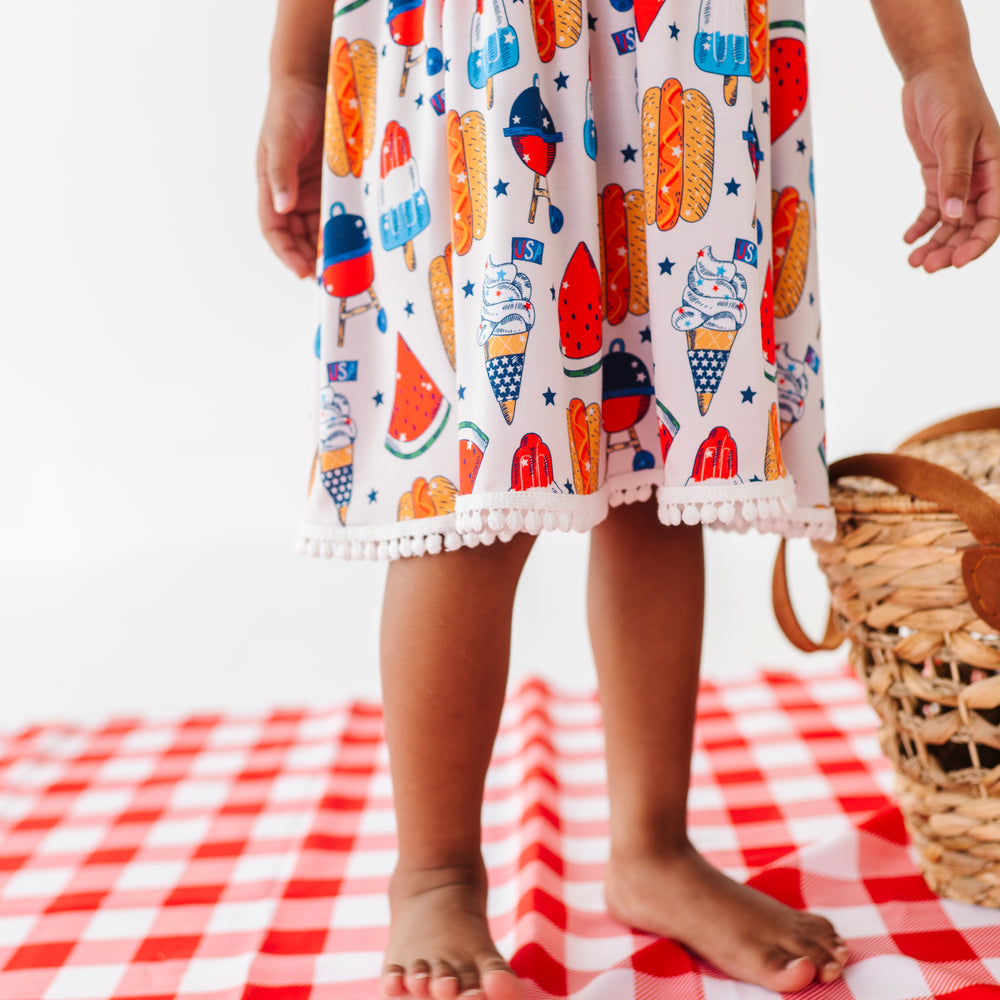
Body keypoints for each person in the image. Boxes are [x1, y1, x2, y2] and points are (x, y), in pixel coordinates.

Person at [257, 1, 1000, 996]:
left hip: (687, 66)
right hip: (481, 67)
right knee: (472, 487)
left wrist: (936, 55)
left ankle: (651, 844)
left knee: (662, 465)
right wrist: (296, 72)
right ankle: (434, 871)